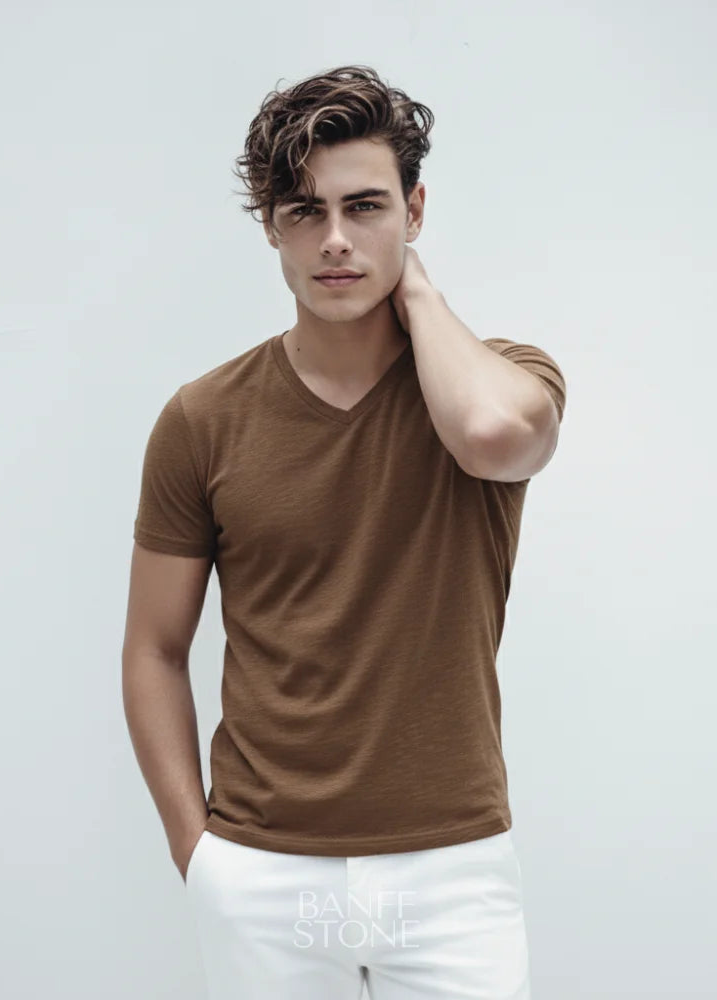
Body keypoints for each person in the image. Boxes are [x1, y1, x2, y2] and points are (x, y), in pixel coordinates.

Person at [122, 64, 566, 1000]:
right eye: (303, 211)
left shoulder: (503, 376)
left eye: (363, 207)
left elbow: (493, 439)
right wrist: (196, 853)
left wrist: (418, 295)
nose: (333, 239)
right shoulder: (203, 419)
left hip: (450, 868)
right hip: (261, 868)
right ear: (270, 226)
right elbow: (155, 648)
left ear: (414, 210)